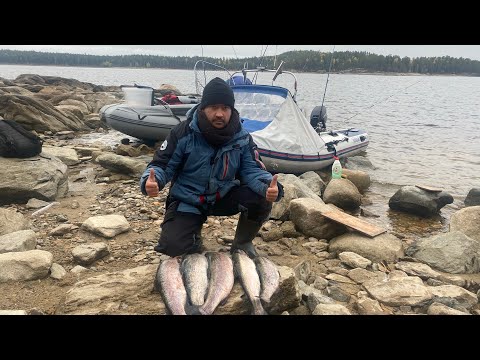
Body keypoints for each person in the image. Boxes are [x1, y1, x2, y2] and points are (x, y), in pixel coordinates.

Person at [139, 77, 284, 259]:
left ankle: (242, 242)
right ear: (203, 108)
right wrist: (153, 181)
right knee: (173, 248)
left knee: (260, 197)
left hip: (223, 196)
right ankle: (193, 236)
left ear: (231, 110)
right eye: (213, 107)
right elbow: (162, 165)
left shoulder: (242, 137)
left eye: (225, 108)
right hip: (189, 199)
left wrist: (268, 186)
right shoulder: (182, 133)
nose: (219, 114)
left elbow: (252, 169)